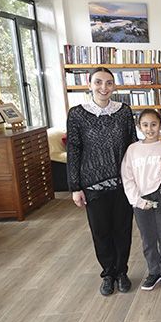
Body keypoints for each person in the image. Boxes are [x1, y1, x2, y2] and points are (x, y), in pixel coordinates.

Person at [67, 67, 137, 296]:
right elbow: (74, 150)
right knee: (101, 231)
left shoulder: (124, 111)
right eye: (98, 82)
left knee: (123, 230)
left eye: (108, 83)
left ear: (114, 86)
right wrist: (75, 187)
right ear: (89, 84)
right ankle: (108, 274)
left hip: (123, 183)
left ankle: (122, 272)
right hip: (92, 184)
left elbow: (132, 146)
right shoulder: (77, 114)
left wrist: (138, 179)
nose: (103, 87)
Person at [121, 109, 161, 291]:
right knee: (147, 238)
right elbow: (127, 177)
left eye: (153, 124)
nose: (150, 129)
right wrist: (137, 201)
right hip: (141, 198)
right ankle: (153, 271)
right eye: (145, 125)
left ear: (160, 125)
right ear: (139, 127)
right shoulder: (132, 150)